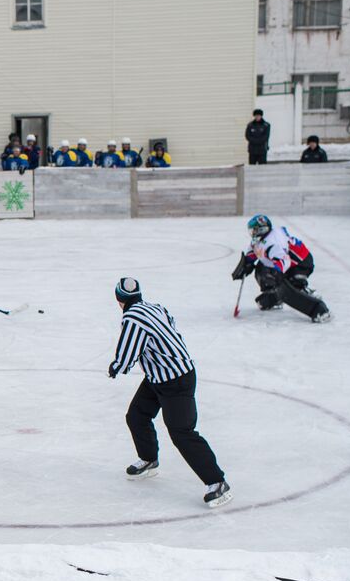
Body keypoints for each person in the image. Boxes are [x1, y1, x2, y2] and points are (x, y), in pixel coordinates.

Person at [108, 277, 231, 508]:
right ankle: (149, 459)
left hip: (176, 381)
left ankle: (217, 482)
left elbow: (127, 355)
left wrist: (116, 367)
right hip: (160, 377)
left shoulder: (132, 318)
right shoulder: (156, 307)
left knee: (182, 432)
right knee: (137, 416)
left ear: (119, 300)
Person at [233, 214, 330, 322]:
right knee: (261, 270)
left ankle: (311, 299)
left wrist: (276, 273)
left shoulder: (274, 242)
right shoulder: (259, 239)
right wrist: (246, 264)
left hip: (300, 263)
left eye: (254, 230)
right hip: (285, 262)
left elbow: (285, 260)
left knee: (289, 285)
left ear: (262, 229)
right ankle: (275, 295)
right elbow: (253, 253)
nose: (252, 234)